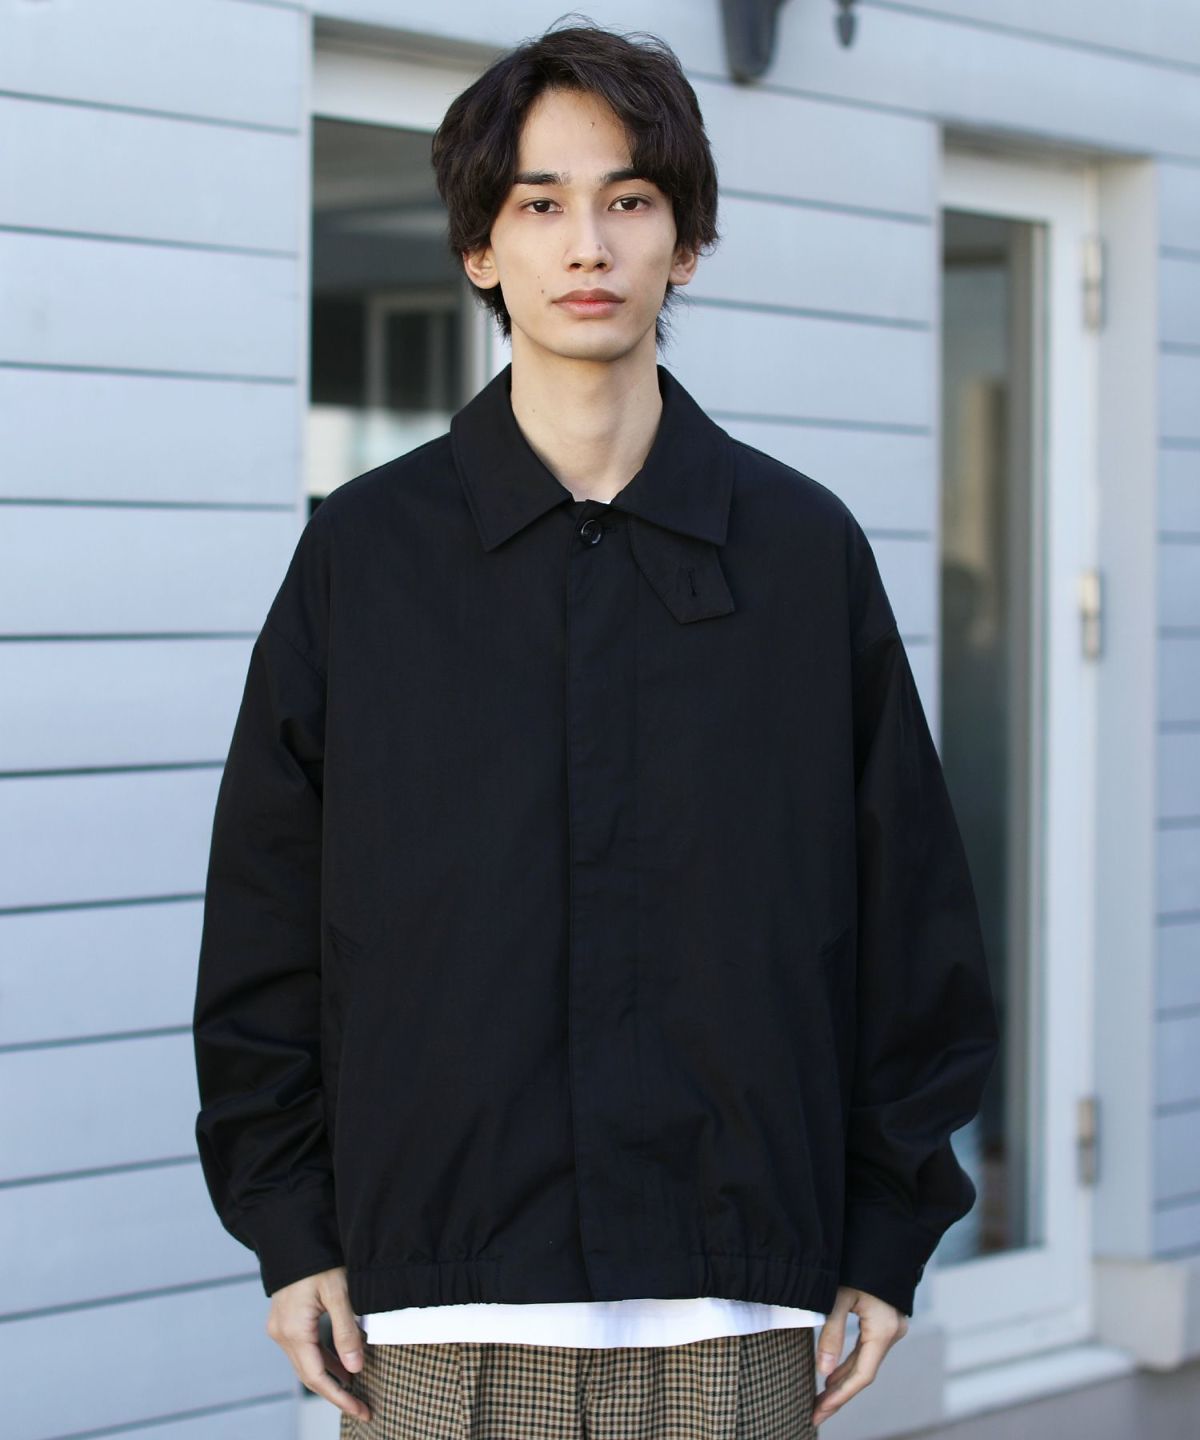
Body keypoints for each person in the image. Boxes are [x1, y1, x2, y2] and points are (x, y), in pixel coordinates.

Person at [191, 18, 1000, 1439]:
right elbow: (266, 921)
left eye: (629, 200)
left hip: (731, 1309)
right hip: (435, 1311)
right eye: (539, 204)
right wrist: (289, 1222)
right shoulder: (367, 558)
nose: (588, 245)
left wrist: (888, 1227)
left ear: (684, 244)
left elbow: (910, 920)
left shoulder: (800, 555)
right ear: (478, 248)